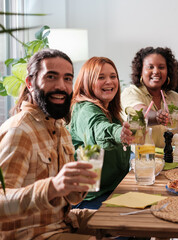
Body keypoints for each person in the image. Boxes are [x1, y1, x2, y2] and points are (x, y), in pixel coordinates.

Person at [0, 49, 105, 239]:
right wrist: (53, 186)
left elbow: (67, 199)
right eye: (51, 77)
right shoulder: (19, 131)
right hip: (31, 234)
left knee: (126, 221)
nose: (61, 86)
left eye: (67, 78)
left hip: (64, 222)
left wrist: (78, 185)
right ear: (30, 83)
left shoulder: (60, 127)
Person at [68, 57, 132, 210]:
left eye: (113, 76)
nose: (109, 81)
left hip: (113, 191)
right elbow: (99, 130)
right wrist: (119, 133)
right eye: (101, 77)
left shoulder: (109, 110)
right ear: (87, 81)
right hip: (90, 199)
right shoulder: (85, 109)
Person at [121, 47, 178, 148]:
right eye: (150, 67)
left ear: (168, 71)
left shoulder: (175, 98)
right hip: (141, 157)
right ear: (140, 71)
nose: (156, 71)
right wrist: (157, 116)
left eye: (161, 67)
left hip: (170, 159)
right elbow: (141, 112)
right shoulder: (131, 93)